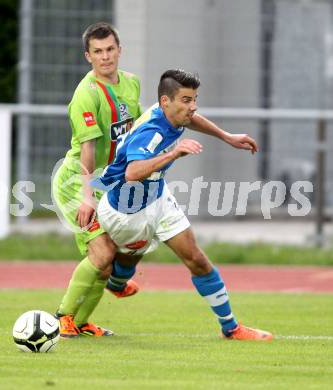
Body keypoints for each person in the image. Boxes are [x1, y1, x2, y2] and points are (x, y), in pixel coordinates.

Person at [54, 22, 263, 339]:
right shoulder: (87, 95)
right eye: (98, 52)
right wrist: (86, 197)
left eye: (110, 49)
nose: (106, 57)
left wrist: (224, 135)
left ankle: (88, 315)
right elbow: (88, 151)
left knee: (115, 258)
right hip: (82, 181)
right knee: (102, 255)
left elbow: (153, 123)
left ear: (120, 50)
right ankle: (63, 318)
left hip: (120, 183)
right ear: (88, 56)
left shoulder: (131, 84)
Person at [91, 69, 273, 341]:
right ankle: (116, 282)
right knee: (129, 258)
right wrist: (175, 152)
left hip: (157, 197)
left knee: (196, 258)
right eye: (186, 100)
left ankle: (231, 327)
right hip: (126, 208)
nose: (193, 106)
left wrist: (227, 136)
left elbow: (192, 120)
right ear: (166, 102)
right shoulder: (150, 132)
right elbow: (132, 172)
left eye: (194, 99)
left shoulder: (170, 112)